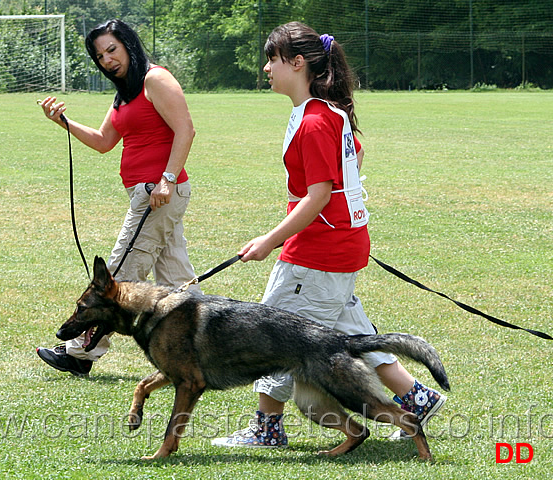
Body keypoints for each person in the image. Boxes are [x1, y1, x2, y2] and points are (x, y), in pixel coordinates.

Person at [212, 22, 446, 448]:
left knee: (272, 335)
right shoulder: (324, 113)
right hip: (338, 248)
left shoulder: (316, 121)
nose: (266, 68)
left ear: (298, 63)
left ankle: (267, 429)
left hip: (319, 253)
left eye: (273, 59)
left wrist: (270, 239)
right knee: (351, 338)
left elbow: (318, 195)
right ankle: (417, 396)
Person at [36, 19, 200, 377]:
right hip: (151, 195)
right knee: (178, 281)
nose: (107, 60)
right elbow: (102, 141)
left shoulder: (155, 79)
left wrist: (166, 180)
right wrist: (62, 121)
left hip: (157, 194)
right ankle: (205, 344)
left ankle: (79, 353)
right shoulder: (126, 92)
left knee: (116, 278)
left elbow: (185, 129)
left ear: (128, 44)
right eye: (100, 56)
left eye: (112, 49)